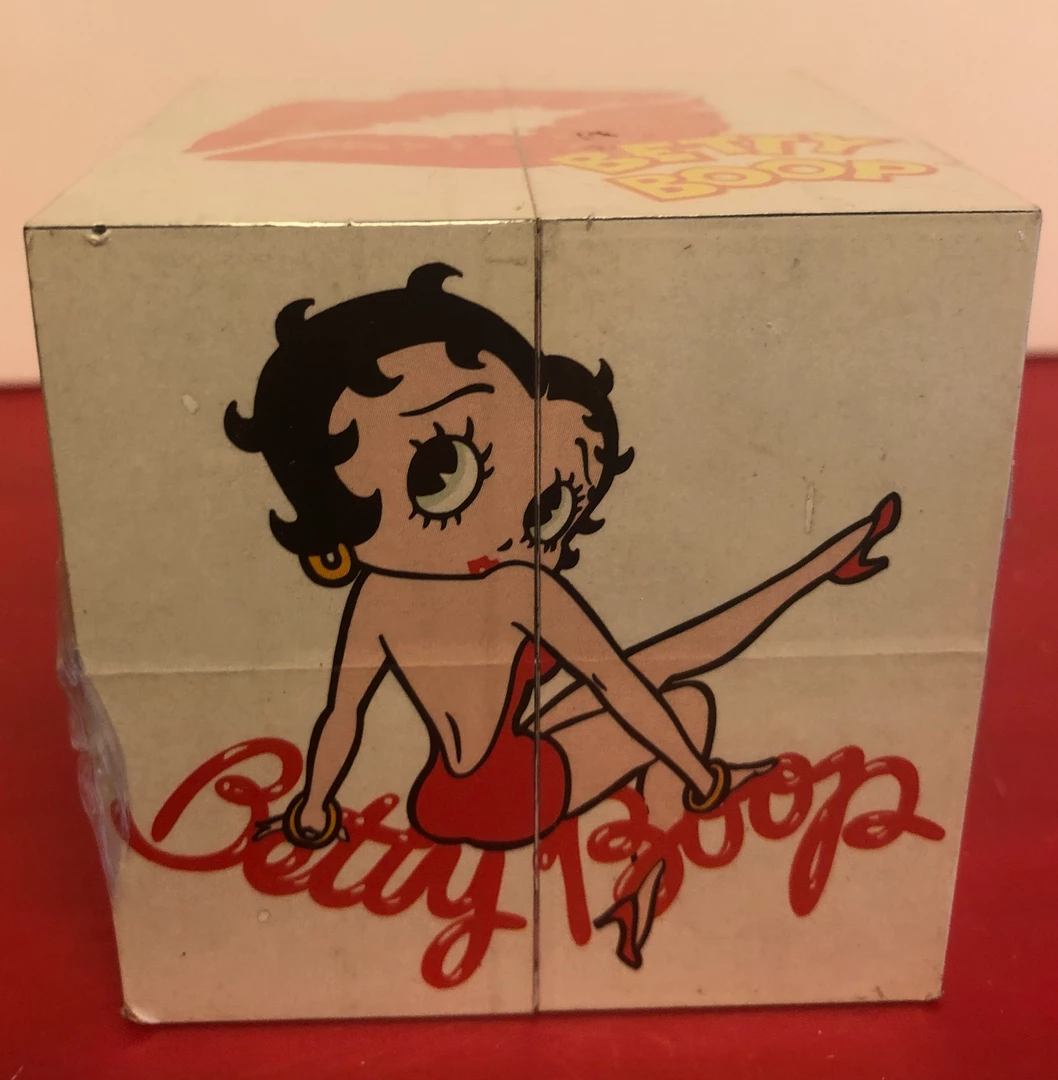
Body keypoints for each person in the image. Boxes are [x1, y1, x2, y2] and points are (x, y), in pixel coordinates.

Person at [226, 263, 900, 968]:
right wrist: (698, 775)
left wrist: (314, 807)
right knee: (686, 703)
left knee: (648, 676)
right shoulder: (518, 587)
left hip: (439, 798)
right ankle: (648, 871)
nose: (517, 515)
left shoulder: (377, 597)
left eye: (542, 498)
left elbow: (343, 716)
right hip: (516, 797)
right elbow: (633, 682)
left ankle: (816, 575)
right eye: (443, 470)